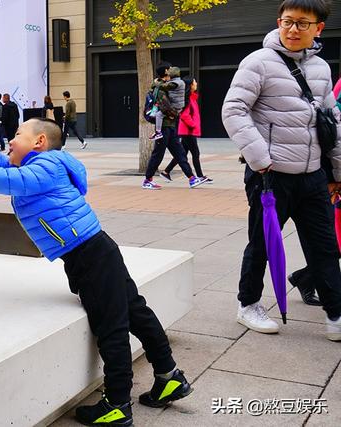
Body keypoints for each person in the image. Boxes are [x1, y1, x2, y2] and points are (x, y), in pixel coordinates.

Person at [0, 112, 193, 425]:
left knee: (111, 326)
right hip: (94, 251)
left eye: (17, 135)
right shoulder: (35, 165)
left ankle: (117, 403)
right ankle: (169, 376)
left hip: (90, 256)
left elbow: (6, 181)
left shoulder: (45, 167)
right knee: (135, 310)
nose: (10, 141)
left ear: (39, 142)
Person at [222, 0, 341, 340]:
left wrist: (336, 173)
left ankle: (336, 311)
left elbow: (330, 122)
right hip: (270, 176)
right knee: (262, 244)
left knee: (324, 246)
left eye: (302, 24)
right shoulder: (257, 63)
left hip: (313, 176)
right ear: (279, 22)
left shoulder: (320, 68)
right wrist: (261, 159)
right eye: (288, 22)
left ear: (318, 28)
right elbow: (233, 111)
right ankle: (248, 305)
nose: (293, 29)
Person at [142, 63, 206, 190]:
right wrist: (175, 114)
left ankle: (192, 178)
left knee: (180, 153)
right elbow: (165, 106)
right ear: (166, 72)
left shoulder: (169, 87)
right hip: (164, 126)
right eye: (169, 69)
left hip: (170, 126)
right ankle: (147, 180)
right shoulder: (160, 89)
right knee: (158, 154)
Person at [161, 77, 212, 184]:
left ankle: (166, 172)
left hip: (188, 131)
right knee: (195, 153)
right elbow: (184, 115)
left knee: (181, 154)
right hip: (188, 131)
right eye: (194, 82)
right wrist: (193, 125)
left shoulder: (192, 98)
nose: (196, 83)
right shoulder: (187, 99)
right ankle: (200, 176)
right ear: (190, 86)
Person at [149, 67, 185, 142]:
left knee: (159, 115)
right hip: (177, 108)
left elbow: (163, 86)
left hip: (173, 109)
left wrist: (155, 83)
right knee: (177, 149)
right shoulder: (179, 82)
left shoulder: (174, 83)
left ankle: (158, 132)